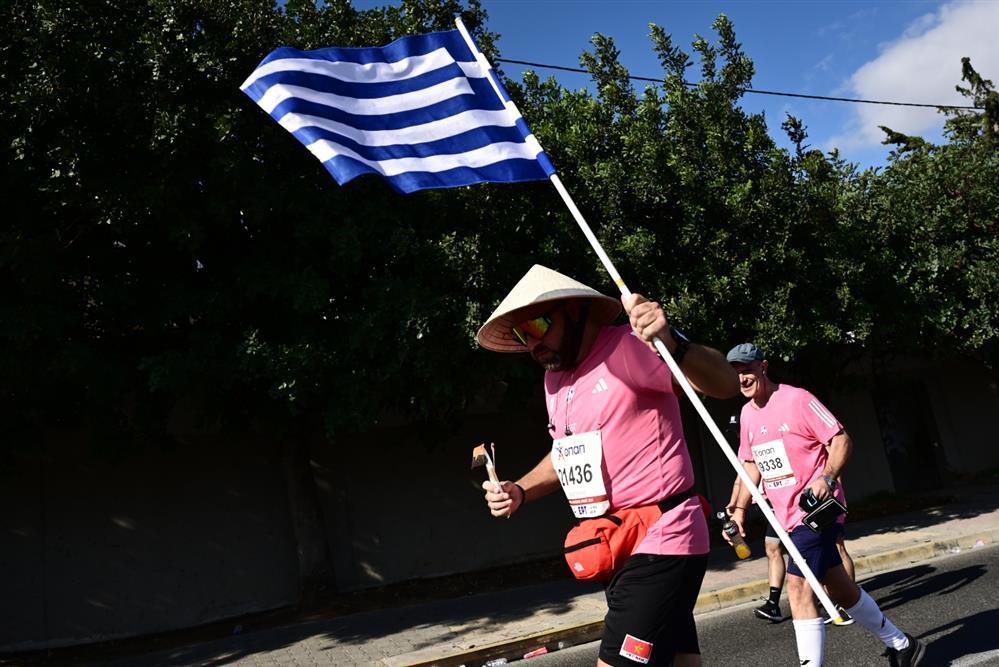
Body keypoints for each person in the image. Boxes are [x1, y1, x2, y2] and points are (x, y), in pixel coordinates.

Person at [476, 265, 738, 667]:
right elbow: (565, 454)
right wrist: (521, 490)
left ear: (575, 311)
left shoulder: (630, 348)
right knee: (682, 662)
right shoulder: (555, 381)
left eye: (538, 324)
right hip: (614, 544)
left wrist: (673, 343)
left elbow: (725, 384)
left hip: (662, 539)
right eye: (520, 334)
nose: (532, 344)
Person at [724, 343, 925, 667]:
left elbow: (841, 440)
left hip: (816, 511)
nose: (742, 378)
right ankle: (903, 644)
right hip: (786, 516)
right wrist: (739, 510)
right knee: (841, 591)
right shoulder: (747, 414)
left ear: (764, 366)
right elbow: (751, 466)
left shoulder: (797, 399)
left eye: (747, 369)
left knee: (798, 585)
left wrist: (827, 478)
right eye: (736, 373)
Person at [726, 478, 856, 625]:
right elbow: (742, 477)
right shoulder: (747, 454)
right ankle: (775, 604)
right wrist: (737, 506)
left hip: (811, 500)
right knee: (780, 552)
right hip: (777, 505)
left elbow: (831, 459)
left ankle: (846, 603)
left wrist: (837, 491)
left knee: (835, 548)